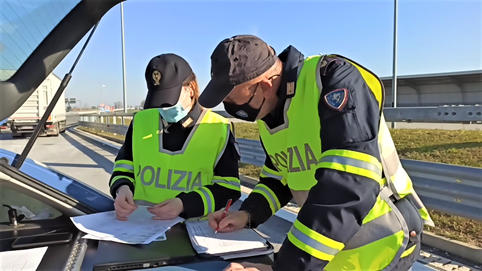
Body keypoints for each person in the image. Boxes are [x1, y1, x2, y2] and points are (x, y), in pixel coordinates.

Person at [198, 35, 435, 271]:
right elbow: (278, 178)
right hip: (329, 247)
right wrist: (247, 214)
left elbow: (347, 185)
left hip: (382, 242)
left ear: (265, 86)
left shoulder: (332, 79)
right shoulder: (267, 109)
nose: (229, 107)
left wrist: (283, 268)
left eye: (232, 98)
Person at [109, 53, 241, 221]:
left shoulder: (219, 128)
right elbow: (124, 165)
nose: (164, 109)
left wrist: (185, 205)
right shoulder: (140, 121)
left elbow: (229, 188)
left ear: (191, 89)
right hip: (140, 225)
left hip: (191, 230)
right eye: (159, 101)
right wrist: (122, 188)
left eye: (169, 101)